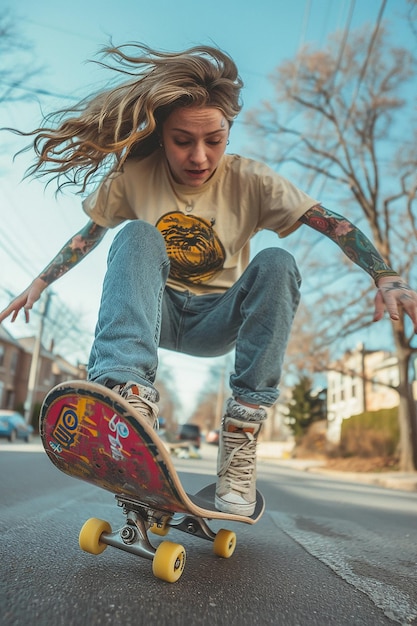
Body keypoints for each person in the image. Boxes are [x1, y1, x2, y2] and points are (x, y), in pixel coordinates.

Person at [1, 43, 417, 517]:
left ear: (228, 132)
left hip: (216, 321)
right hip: (152, 313)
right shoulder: (134, 175)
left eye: (214, 140)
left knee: (278, 261)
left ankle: (241, 436)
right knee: (136, 234)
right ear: (160, 135)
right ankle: (129, 398)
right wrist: (40, 281)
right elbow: (88, 236)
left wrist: (384, 274)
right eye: (182, 141)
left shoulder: (254, 182)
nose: (200, 157)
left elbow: (329, 221)